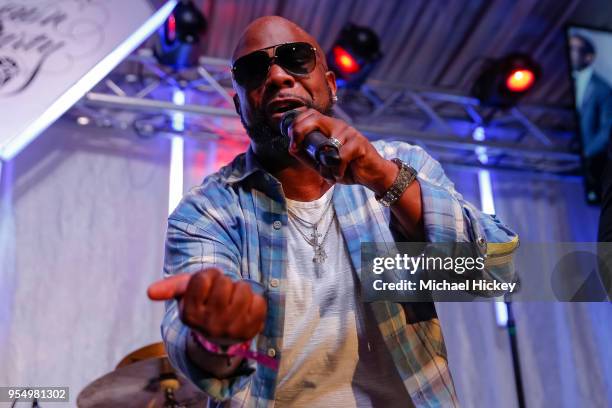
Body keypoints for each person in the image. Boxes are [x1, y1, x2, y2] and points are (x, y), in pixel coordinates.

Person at [147, 16, 518, 407]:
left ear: (331, 85)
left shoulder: (400, 165)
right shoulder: (207, 210)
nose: (277, 77)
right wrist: (216, 338)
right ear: (240, 105)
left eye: (295, 59)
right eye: (253, 70)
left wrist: (382, 177)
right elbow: (205, 367)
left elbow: (496, 273)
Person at [569, 33, 612, 203]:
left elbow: (606, 129)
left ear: (588, 57)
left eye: (574, 48)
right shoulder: (574, 81)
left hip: (596, 162)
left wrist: (587, 151)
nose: (570, 52)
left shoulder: (602, 89)